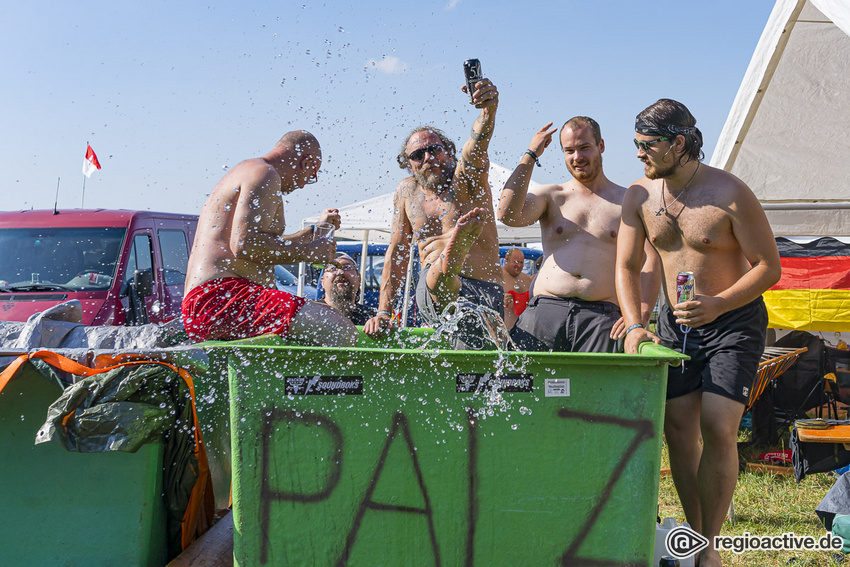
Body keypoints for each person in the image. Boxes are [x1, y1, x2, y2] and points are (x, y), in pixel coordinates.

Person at [616, 99, 781, 567]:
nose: (639, 155)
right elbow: (627, 266)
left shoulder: (730, 193)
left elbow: (770, 267)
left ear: (679, 143)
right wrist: (633, 324)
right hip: (675, 323)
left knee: (717, 426)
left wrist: (719, 303)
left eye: (647, 145)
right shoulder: (639, 197)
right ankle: (695, 535)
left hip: (733, 320)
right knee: (678, 431)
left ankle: (710, 549)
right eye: (636, 144)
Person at [182, 130, 358, 347]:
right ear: (306, 162)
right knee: (340, 330)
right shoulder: (265, 173)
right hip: (221, 299)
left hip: (214, 301)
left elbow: (261, 243)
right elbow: (244, 246)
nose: (306, 183)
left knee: (321, 321)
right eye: (312, 175)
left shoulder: (250, 170)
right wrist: (309, 252)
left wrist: (313, 234)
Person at [363, 78, 503, 349]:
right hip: (433, 289)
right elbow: (398, 250)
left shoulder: (467, 181)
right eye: (418, 155)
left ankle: (451, 260)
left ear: (449, 154)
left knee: (472, 372)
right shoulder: (407, 191)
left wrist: (488, 111)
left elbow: (476, 149)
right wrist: (383, 311)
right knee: (440, 275)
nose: (427, 158)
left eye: (434, 150)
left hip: (482, 288)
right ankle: (449, 261)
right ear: (410, 166)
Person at [498, 118, 660, 353]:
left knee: (599, 388)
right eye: (569, 151)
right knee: (528, 387)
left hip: (603, 317)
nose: (577, 157)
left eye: (584, 147)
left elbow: (652, 259)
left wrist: (640, 316)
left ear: (601, 145)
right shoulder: (552, 196)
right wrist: (531, 154)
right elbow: (507, 213)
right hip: (545, 310)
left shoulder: (627, 201)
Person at [320, 252, 377, 325]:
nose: (340, 272)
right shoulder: (311, 314)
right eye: (332, 268)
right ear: (323, 282)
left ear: (359, 279)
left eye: (347, 267)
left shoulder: (371, 318)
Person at [501, 248, 532, 330]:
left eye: (521, 263)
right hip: (506, 329)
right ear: (506, 260)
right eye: (516, 262)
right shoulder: (498, 277)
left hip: (525, 329)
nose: (519, 265)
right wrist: (500, 301)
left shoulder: (527, 279)